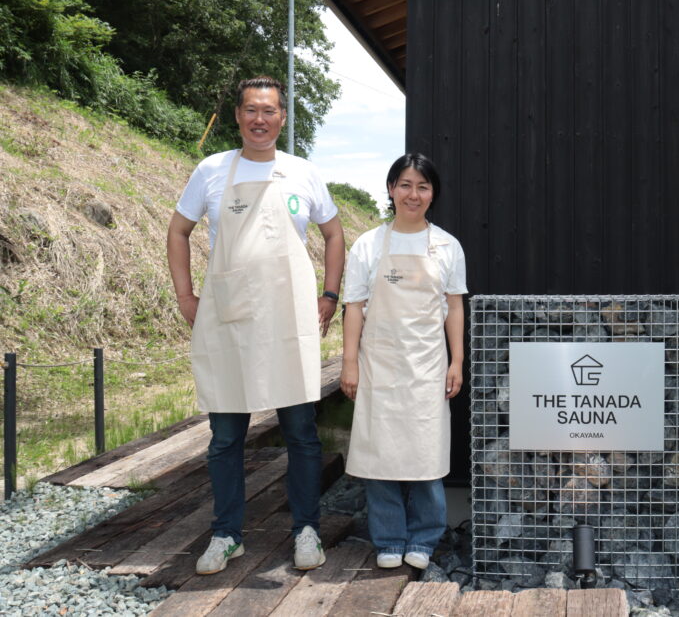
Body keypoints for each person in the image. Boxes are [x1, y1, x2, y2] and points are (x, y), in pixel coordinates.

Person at [166, 76, 345, 575]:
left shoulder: (302, 173)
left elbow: (334, 234)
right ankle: (226, 535)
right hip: (228, 315)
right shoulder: (212, 170)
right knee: (226, 435)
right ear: (238, 116)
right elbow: (179, 230)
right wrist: (186, 294)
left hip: (289, 317)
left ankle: (306, 530)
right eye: (251, 110)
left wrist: (330, 294)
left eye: (269, 111)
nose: (260, 119)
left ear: (282, 118)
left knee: (301, 432)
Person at [340, 152, 466, 570]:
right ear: (392, 190)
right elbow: (354, 307)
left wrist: (457, 361)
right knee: (380, 457)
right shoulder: (368, 244)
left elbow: (454, 307)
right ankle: (390, 538)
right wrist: (350, 363)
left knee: (425, 455)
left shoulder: (447, 246)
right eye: (406, 185)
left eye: (423, 186)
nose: (414, 194)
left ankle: (426, 537)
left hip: (428, 365)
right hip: (379, 364)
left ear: (433, 194)